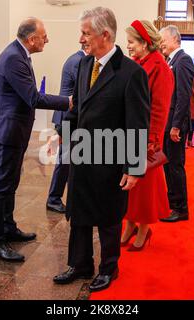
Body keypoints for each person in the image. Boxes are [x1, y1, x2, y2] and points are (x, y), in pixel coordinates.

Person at [53, 7, 150, 292]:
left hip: (111, 157)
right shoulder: (84, 65)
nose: (81, 39)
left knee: (108, 218)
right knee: (79, 213)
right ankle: (80, 263)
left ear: (105, 35)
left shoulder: (131, 73)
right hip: (82, 154)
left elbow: (137, 124)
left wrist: (134, 168)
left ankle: (109, 268)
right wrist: (67, 139)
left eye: (86, 33)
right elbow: (77, 108)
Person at [0, 18, 71, 262]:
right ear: (31, 39)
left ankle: (8, 227)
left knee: (10, 182)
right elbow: (33, 97)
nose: (47, 40)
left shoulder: (19, 53)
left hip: (15, 129)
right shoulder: (14, 57)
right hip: (7, 130)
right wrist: (67, 101)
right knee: (0, 186)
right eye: (44, 36)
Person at [120, 20, 173, 251]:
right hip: (131, 133)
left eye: (132, 42)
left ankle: (143, 228)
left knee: (145, 188)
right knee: (131, 188)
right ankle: (130, 224)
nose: (128, 46)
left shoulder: (159, 67)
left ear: (144, 42)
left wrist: (151, 142)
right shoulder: (138, 62)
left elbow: (160, 110)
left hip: (146, 139)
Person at [159, 25, 194, 223]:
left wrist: (176, 126)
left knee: (175, 167)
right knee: (168, 166)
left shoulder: (183, 60)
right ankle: (172, 202)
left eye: (163, 39)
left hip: (175, 125)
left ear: (174, 39)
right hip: (167, 123)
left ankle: (180, 209)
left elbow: (183, 97)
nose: (161, 43)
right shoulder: (171, 60)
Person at [46, 48, 87, 214]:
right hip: (68, 115)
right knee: (64, 160)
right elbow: (83, 90)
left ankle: (71, 196)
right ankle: (53, 198)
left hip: (70, 114)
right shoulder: (78, 61)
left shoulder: (78, 58)